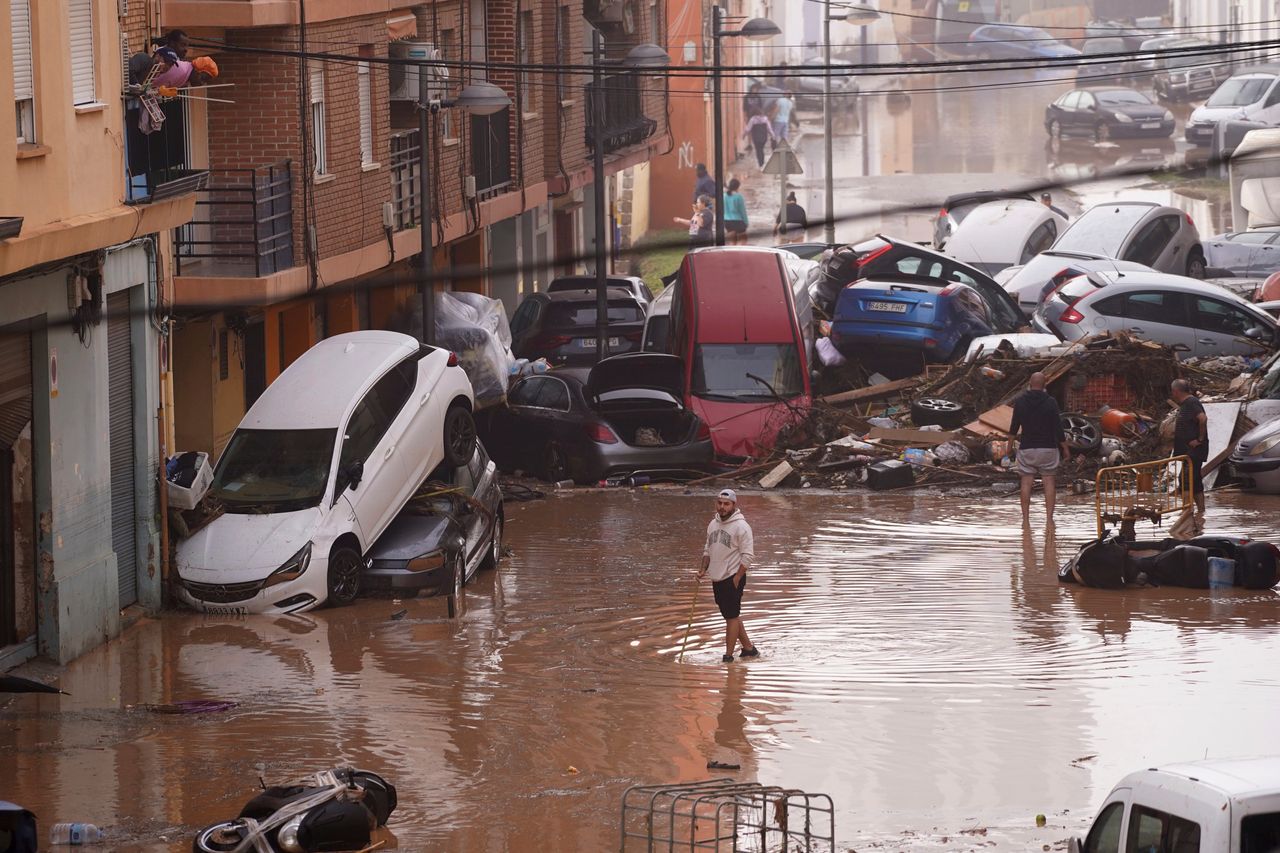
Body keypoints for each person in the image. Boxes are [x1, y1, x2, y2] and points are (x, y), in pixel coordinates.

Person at [698, 489, 758, 663]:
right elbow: (707, 550)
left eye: (726, 504)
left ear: (733, 505)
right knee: (730, 615)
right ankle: (748, 649)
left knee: (731, 617)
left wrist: (737, 578)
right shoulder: (713, 524)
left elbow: (748, 556)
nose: (722, 507)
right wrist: (702, 570)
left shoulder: (742, 527)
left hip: (733, 576)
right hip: (716, 577)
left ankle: (728, 656)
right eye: (719, 503)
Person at [1009, 371, 1071, 527]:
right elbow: (1058, 427)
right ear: (1044, 385)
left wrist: (1009, 447)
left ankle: (1025, 520)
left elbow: (1014, 426)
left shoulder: (1020, 402)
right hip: (1048, 449)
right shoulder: (1051, 402)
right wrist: (1065, 448)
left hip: (1027, 449)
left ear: (1029, 384)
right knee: (1049, 483)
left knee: (1026, 483)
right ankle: (1049, 519)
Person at [1171, 378, 1209, 523]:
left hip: (1193, 452)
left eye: (1173, 392)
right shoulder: (1187, 404)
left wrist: (1199, 439)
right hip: (1189, 452)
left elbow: (1203, 419)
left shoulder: (1191, 402)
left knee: (1185, 480)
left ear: (1176, 391)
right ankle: (1201, 513)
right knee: (1196, 481)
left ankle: (1186, 513)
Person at [722, 178, 749, 245]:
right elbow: (742, 211)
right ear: (737, 187)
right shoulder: (738, 196)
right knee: (742, 242)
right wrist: (746, 222)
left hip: (727, 221)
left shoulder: (724, 196)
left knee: (731, 243)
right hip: (738, 222)